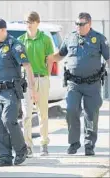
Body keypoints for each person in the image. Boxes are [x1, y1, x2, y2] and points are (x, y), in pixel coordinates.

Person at [48, 12, 109, 156]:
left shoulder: (99, 39)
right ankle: (73, 143)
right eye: (76, 23)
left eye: (81, 24)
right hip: (73, 84)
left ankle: (89, 145)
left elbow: (108, 58)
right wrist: (48, 58)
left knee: (91, 114)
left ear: (89, 24)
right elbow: (60, 54)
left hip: (92, 84)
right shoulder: (70, 37)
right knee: (71, 110)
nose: (78, 26)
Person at [0, 18, 38, 166]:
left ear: (2, 30)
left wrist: (33, 90)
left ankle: (21, 151)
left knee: (9, 121)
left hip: (11, 91)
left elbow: (27, 66)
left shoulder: (15, 45)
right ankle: (5, 157)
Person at [18, 11, 54, 157]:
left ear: (37, 22)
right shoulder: (21, 40)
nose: (29, 24)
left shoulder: (45, 39)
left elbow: (50, 59)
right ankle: (27, 145)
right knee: (27, 114)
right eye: (26, 21)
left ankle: (44, 144)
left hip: (42, 78)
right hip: (26, 80)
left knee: (43, 113)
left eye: (31, 22)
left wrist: (47, 76)